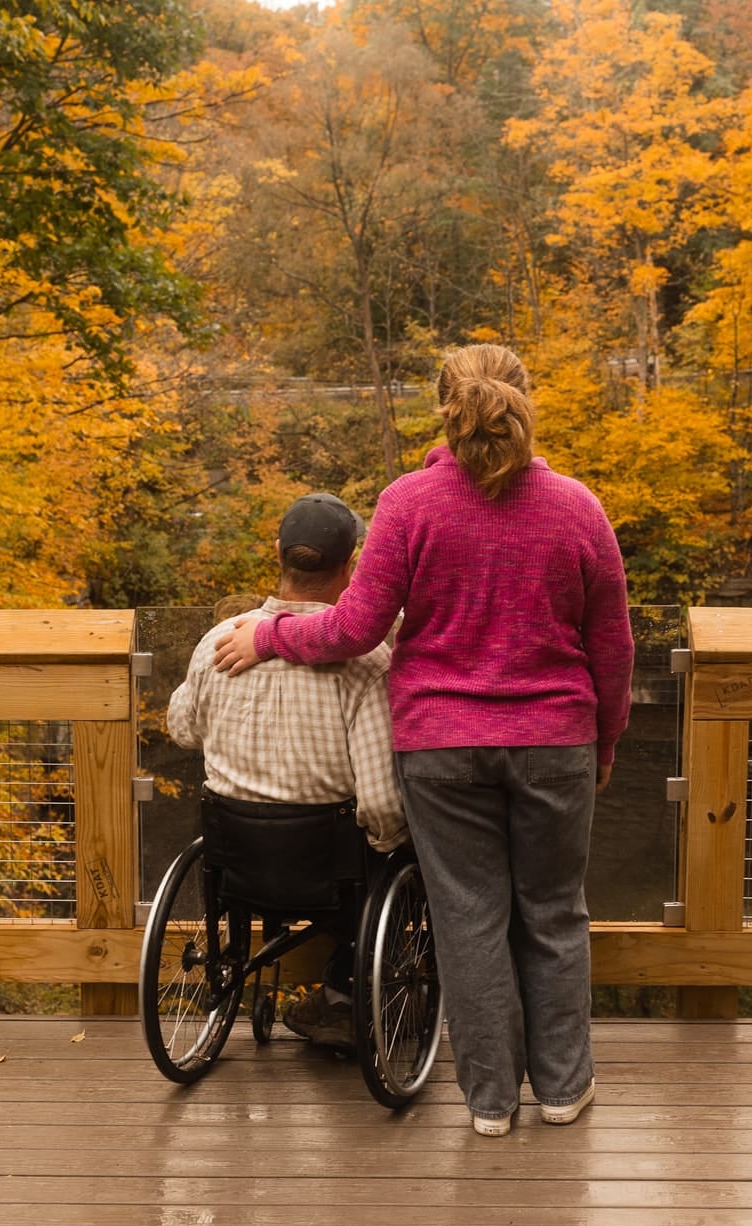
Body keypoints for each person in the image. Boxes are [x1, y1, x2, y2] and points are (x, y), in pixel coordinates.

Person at [214, 343, 632, 1136]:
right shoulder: (578, 507)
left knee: (467, 919)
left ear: (443, 406)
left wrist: (270, 636)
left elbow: (356, 626)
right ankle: (565, 1089)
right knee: (552, 914)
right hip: (554, 740)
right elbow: (613, 646)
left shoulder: (409, 504)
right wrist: (605, 741)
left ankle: (490, 1103)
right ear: (524, 401)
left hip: (439, 745)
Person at [167, 493, 406, 1050]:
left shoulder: (220, 640)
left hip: (237, 858)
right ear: (350, 566)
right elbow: (379, 805)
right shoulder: (367, 662)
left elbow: (182, 729)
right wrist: (397, 843)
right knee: (398, 848)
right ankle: (345, 994)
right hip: (329, 870)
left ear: (278, 552)